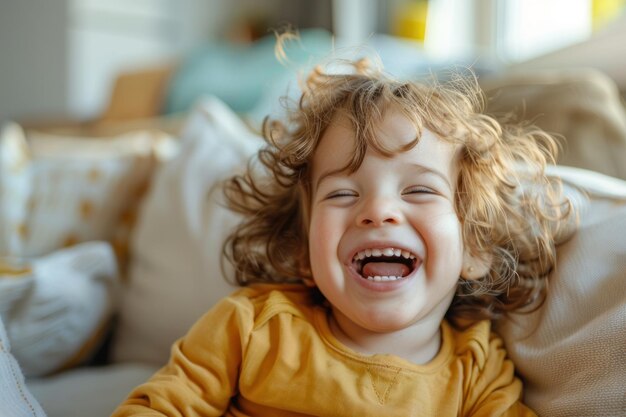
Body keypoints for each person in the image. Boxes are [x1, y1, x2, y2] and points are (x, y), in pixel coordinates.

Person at [111, 56, 573, 416]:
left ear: (473, 245)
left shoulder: (476, 372)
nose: (378, 212)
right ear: (302, 249)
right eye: (343, 193)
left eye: (418, 189)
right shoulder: (253, 327)